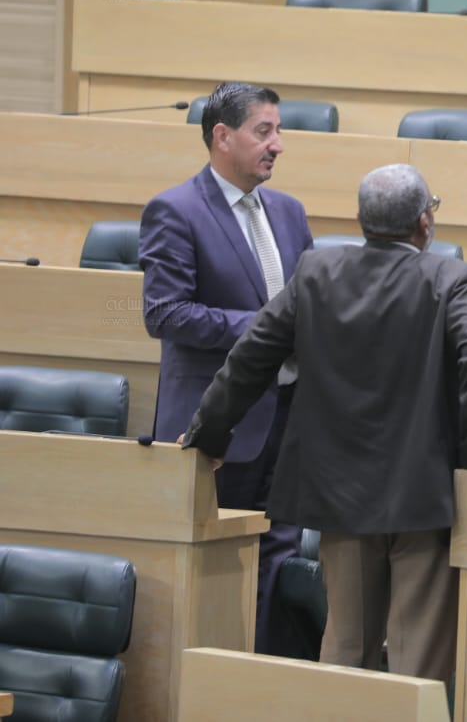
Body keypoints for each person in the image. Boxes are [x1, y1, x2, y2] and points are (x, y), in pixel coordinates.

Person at [180, 163, 467, 680]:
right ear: (424, 222)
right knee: (416, 658)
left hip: (339, 493)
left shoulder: (317, 272)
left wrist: (208, 435)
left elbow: (251, 357)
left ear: (361, 220)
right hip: (425, 497)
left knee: (346, 649)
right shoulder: (452, 278)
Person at [139, 81, 313, 654]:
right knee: (217, 567)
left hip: (288, 418)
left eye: (278, 131)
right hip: (219, 423)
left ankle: (263, 677)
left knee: (279, 559)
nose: (278, 144)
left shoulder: (289, 212)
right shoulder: (176, 210)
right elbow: (165, 313)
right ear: (222, 136)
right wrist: (268, 328)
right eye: (264, 131)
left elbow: (309, 306)